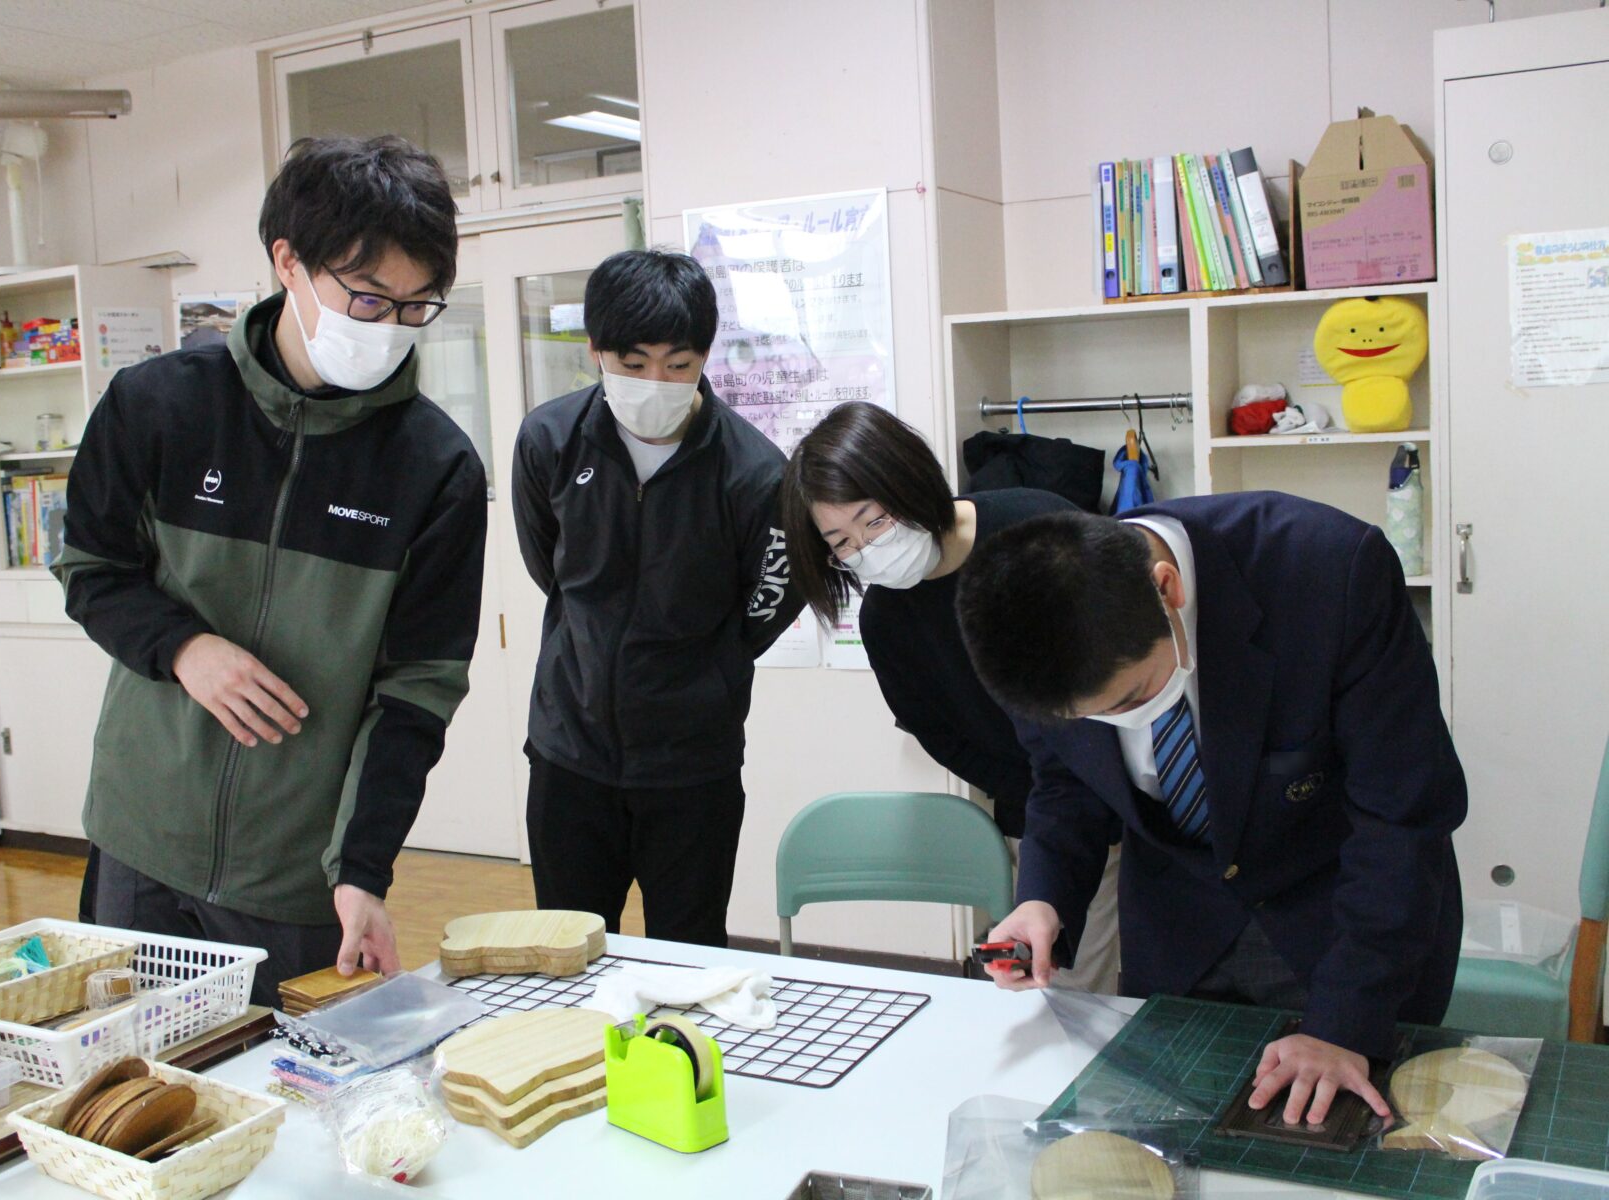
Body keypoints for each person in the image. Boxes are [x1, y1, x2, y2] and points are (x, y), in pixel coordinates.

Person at [56, 135, 487, 1007]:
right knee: (127, 1105)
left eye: (417, 307)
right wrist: (184, 648)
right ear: (288, 261)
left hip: (295, 876)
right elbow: (90, 568)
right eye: (367, 299)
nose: (389, 329)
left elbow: (417, 692)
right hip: (142, 842)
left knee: (286, 1113)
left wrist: (362, 870)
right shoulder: (160, 406)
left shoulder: (435, 468)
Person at [956, 493, 1465, 1127]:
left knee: (1345, 1138)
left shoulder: (1328, 571)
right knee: (1173, 1142)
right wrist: (1045, 898)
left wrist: (1343, 1024)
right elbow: (1065, 782)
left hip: (1345, 923)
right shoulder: (1022, 630)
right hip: (1179, 931)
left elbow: (1401, 814)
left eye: (1131, 697)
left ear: (1166, 588)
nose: (1113, 723)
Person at [510, 248, 802, 948]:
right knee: (568, 950)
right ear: (596, 352)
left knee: (690, 954)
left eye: (678, 365)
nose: (656, 382)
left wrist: (704, 673)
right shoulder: (550, 440)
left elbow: (766, 605)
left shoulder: (756, 473)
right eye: (633, 364)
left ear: (705, 357)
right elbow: (549, 568)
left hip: (691, 767)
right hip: (569, 755)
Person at [777, 401, 1119, 992]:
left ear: (909, 482)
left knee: (1154, 980)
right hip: (1041, 815)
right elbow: (937, 732)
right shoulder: (887, 620)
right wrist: (1027, 788)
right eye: (841, 541)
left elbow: (1128, 651)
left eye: (874, 520)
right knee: (1060, 989)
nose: (864, 547)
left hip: (1138, 789)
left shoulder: (1034, 525)